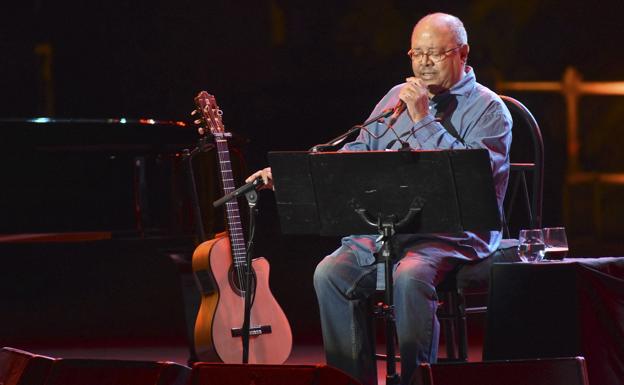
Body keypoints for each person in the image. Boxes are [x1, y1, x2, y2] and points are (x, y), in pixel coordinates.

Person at [247, 12, 512, 385]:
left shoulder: (489, 110)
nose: (424, 63)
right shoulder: (394, 98)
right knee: (330, 273)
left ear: (463, 53)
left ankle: (417, 379)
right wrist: (293, 178)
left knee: (410, 275)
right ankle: (350, 380)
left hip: (452, 234)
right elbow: (359, 152)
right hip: (388, 230)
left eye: (435, 54)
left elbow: (470, 180)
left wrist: (422, 120)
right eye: (416, 54)